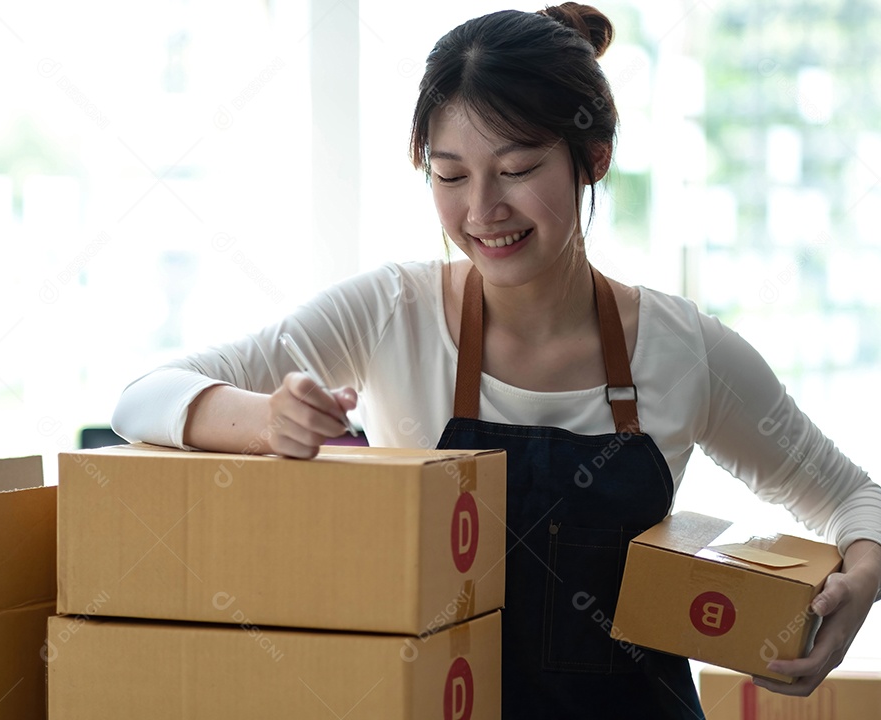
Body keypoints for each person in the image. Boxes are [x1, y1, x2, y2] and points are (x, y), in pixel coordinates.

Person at [112, 4, 881, 717]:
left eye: (516, 170)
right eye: (450, 176)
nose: (482, 211)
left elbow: (854, 496)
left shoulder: (683, 348)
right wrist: (266, 420)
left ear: (593, 158)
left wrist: (862, 583)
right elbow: (141, 399)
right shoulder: (391, 314)